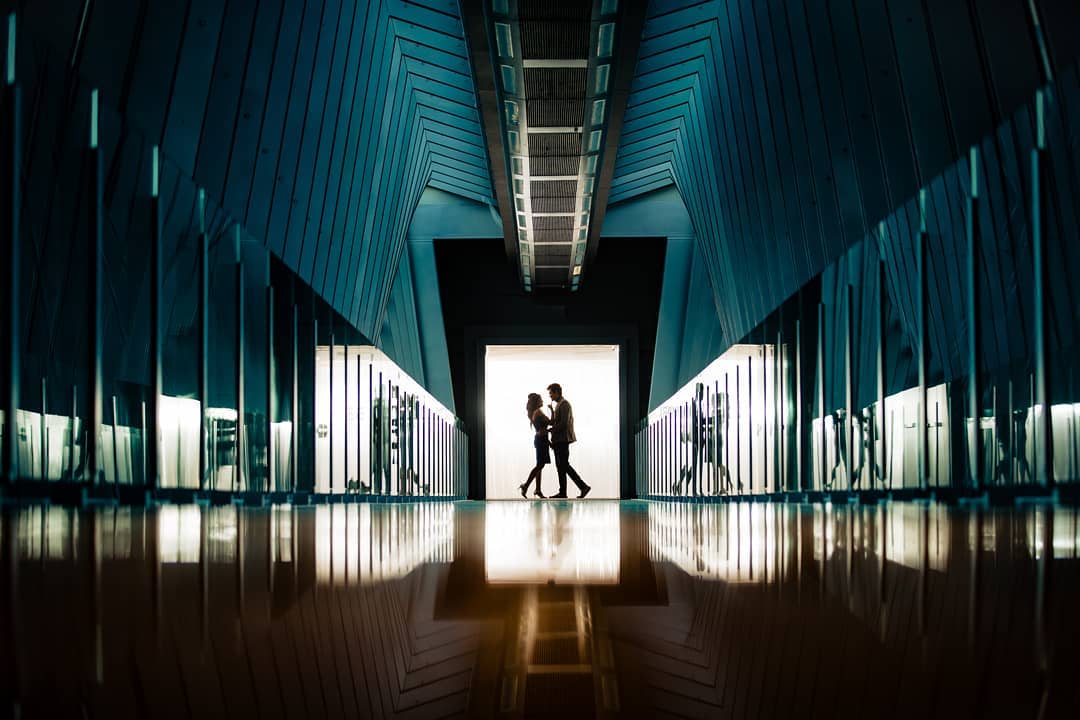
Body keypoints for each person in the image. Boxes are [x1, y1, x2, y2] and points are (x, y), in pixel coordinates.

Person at [546, 383, 591, 499]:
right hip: (558, 440)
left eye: (551, 393)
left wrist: (552, 429)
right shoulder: (559, 405)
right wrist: (551, 411)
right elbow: (557, 421)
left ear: (557, 392)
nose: (550, 396)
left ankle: (583, 486)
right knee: (560, 466)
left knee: (564, 465)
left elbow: (563, 423)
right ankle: (563, 492)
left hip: (562, 440)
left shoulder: (564, 404)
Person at [519, 393, 550, 498]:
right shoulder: (538, 412)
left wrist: (549, 442)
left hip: (541, 440)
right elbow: (551, 422)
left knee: (540, 465)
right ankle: (526, 485)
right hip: (541, 440)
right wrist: (552, 411)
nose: (543, 401)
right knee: (540, 465)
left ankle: (537, 489)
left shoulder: (535, 412)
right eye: (541, 400)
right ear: (537, 401)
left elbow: (542, 428)